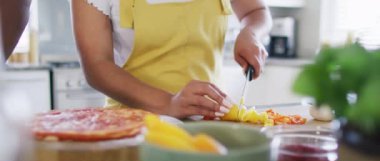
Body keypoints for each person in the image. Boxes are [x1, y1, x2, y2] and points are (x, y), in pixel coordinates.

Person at [71, 0, 272, 119]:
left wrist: (251, 33)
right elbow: (96, 64)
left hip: (207, 125)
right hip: (132, 129)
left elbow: (256, 11)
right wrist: (168, 103)